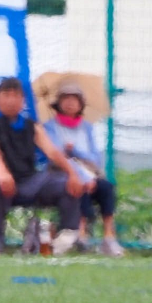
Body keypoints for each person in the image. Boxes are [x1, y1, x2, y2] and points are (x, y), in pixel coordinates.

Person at [0, 77, 84, 255]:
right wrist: (3, 173)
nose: (11, 100)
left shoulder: (32, 126)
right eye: (6, 95)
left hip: (29, 182)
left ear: (23, 101)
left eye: (16, 96)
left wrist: (73, 174)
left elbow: (53, 152)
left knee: (66, 183)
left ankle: (65, 238)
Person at [41, 82, 123, 257]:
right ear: (58, 103)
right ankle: (81, 234)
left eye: (74, 99)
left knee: (106, 187)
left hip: (89, 174)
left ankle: (109, 237)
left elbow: (95, 158)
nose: (70, 103)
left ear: (81, 104)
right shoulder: (49, 127)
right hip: (61, 175)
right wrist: (79, 174)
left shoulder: (87, 128)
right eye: (65, 98)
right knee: (78, 187)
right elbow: (55, 155)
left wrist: (75, 151)